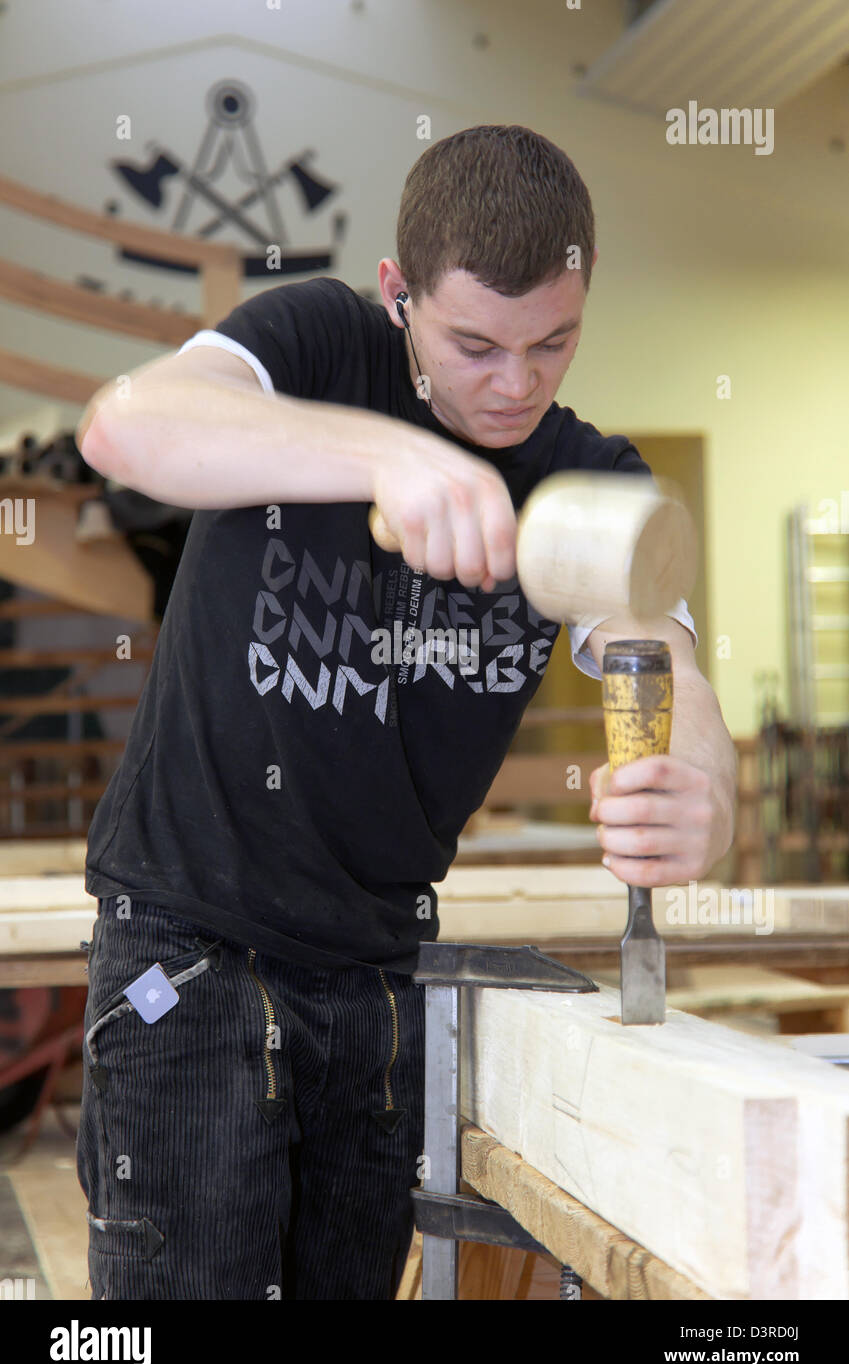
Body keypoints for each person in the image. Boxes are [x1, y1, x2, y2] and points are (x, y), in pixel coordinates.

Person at [74, 124, 736, 1300]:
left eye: (553, 344)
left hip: (381, 979)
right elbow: (126, 426)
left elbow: (660, 650)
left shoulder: (584, 478)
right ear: (399, 294)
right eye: (474, 343)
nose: (516, 384)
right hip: (188, 955)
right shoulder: (320, 343)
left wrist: (706, 791)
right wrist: (387, 457)